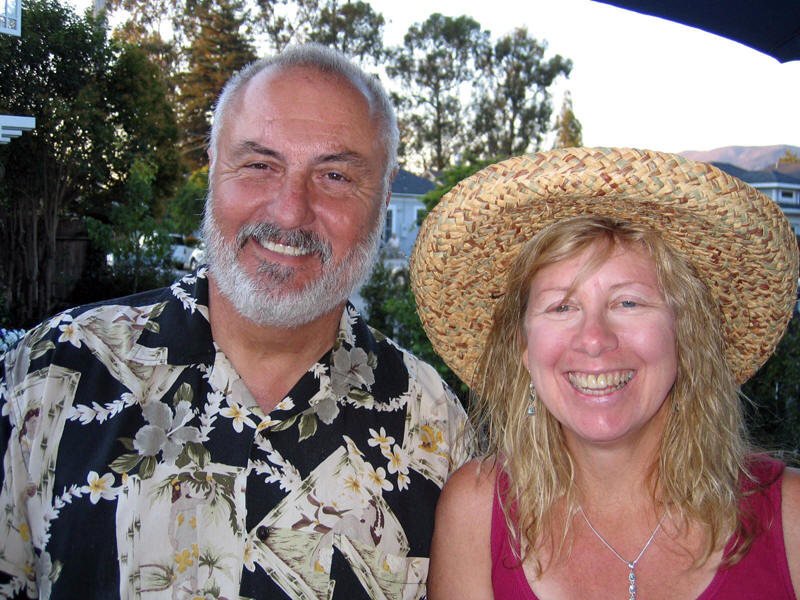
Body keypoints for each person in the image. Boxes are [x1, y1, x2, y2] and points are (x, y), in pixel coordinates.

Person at [0, 44, 471, 599]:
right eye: (259, 165)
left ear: (384, 196)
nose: (289, 211)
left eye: (335, 176)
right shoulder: (48, 376)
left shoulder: (435, 426)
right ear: (213, 166)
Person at [409, 147, 800, 599]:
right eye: (562, 307)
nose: (594, 339)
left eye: (628, 302)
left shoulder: (790, 517)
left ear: (685, 334)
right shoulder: (476, 514)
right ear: (524, 347)